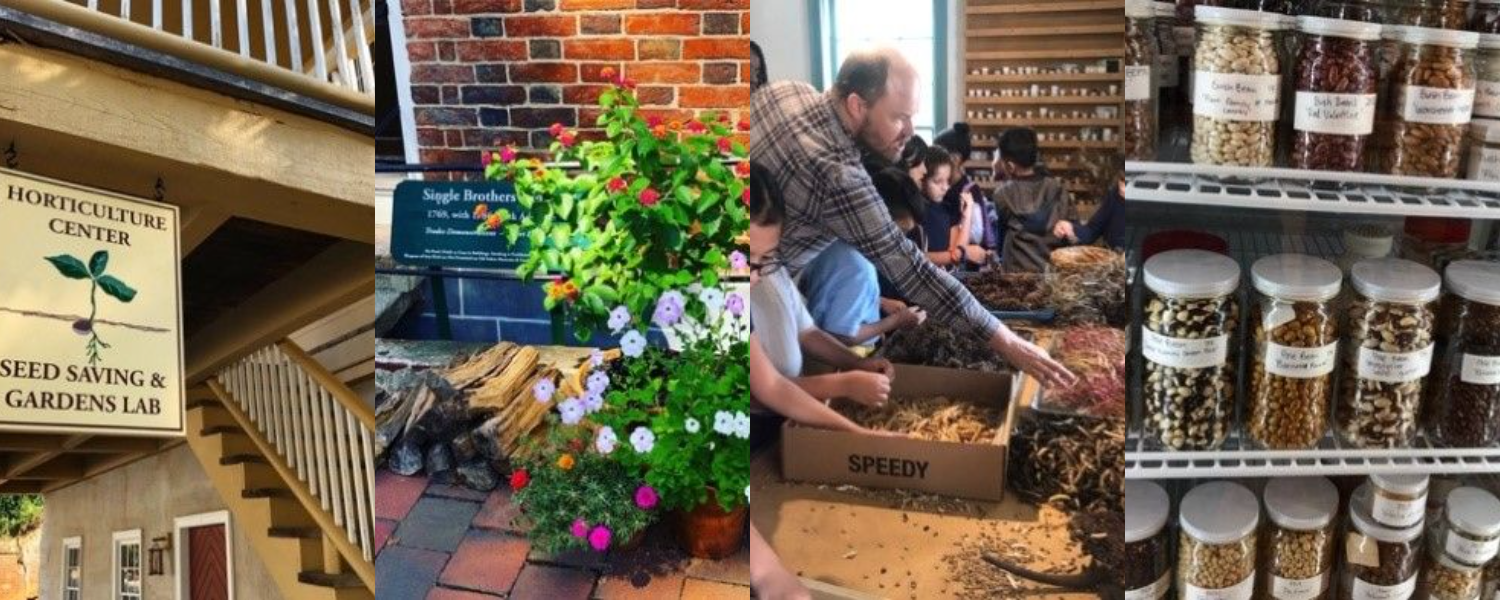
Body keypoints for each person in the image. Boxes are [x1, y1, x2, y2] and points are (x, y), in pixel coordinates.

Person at [749, 46, 1076, 389]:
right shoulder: (838, 176)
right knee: (782, 371)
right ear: (857, 105)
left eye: (911, 116)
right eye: (898, 117)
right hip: (752, 271)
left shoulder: (789, 90)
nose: (909, 131)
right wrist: (1007, 341)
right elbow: (914, 271)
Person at [747, 163, 896, 404]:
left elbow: (807, 331)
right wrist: (844, 384)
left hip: (786, 413)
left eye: (767, 255)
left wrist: (857, 363)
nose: (757, 271)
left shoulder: (773, 270)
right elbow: (767, 388)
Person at [992, 127, 1073, 273]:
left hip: (1015, 279)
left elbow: (1001, 238)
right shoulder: (1057, 189)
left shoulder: (1002, 195)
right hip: (1051, 277)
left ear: (1010, 166)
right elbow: (1072, 235)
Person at [933, 123, 997, 267]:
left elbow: (977, 238)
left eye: (940, 154)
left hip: (962, 265)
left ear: (955, 158)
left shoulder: (968, 191)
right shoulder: (938, 188)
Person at [1055, 173, 1128, 251]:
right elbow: (1092, 231)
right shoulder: (1114, 196)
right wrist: (1071, 228)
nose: (1122, 189)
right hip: (1112, 257)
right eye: (1121, 181)